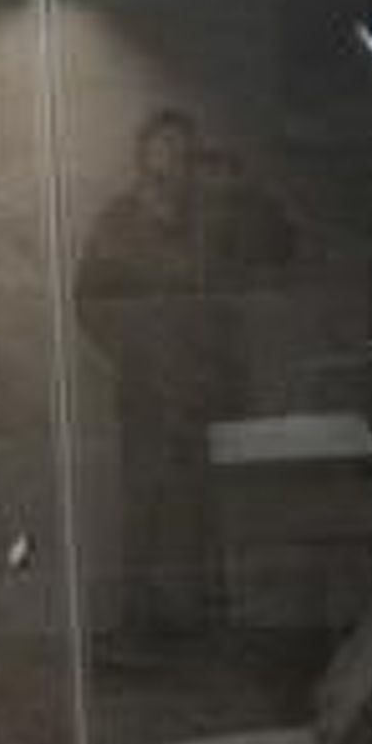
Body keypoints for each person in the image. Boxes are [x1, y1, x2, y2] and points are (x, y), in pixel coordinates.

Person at [77, 110, 297, 648]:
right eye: (162, 147)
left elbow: (281, 246)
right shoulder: (119, 221)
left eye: (181, 149)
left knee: (210, 508)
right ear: (142, 155)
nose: (171, 160)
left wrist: (244, 189)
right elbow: (89, 299)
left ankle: (211, 622)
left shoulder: (214, 218)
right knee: (145, 504)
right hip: (149, 389)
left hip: (210, 386)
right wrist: (137, 352)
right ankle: (140, 621)